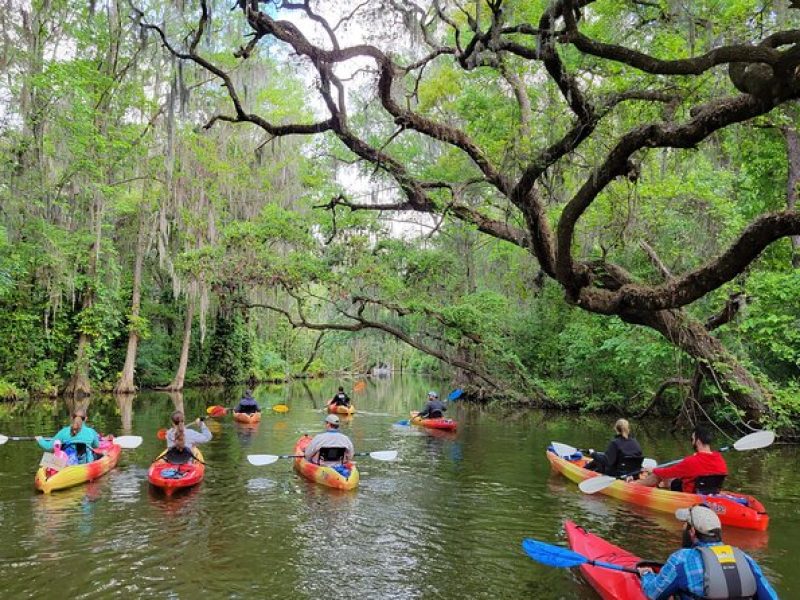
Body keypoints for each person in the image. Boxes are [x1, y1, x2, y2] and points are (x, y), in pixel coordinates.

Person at [639, 504, 778, 599]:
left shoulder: (681, 559)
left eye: (685, 525)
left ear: (692, 532)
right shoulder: (745, 558)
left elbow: (653, 594)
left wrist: (646, 575)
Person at [636, 425, 727, 493]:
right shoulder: (720, 459)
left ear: (698, 441)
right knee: (673, 478)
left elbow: (667, 473)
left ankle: (634, 486)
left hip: (690, 494)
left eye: (692, 439)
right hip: (710, 491)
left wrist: (653, 470)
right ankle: (660, 486)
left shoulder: (691, 461)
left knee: (658, 474)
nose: (692, 442)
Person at [36, 408, 101, 464]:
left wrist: (40, 439)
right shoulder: (91, 432)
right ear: (86, 418)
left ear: (72, 417)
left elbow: (48, 446)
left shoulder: (63, 432)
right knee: (98, 455)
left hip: (68, 463)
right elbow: (96, 446)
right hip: (85, 463)